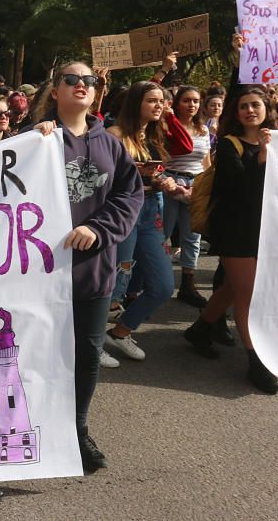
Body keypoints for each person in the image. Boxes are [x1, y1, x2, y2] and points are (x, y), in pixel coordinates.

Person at [30, 62, 143, 473]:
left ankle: (77, 431)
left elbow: (129, 196)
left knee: (88, 354)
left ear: (97, 92)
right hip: (40, 274)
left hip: (93, 272)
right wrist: (30, 140)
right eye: (71, 80)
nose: (81, 85)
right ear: (55, 90)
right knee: (38, 353)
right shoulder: (34, 140)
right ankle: (37, 427)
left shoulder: (111, 145)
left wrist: (98, 228)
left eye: (88, 81)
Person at [184, 87, 278, 393]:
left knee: (232, 287)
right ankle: (256, 361)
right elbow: (239, 188)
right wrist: (263, 155)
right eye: (243, 107)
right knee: (247, 296)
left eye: (256, 105)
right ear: (236, 114)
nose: (250, 110)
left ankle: (200, 330)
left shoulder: (276, 141)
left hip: (265, 229)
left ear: (267, 108)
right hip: (236, 230)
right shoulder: (228, 145)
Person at [103, 81, 179, 363]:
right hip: (122, 214)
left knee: (162, 285)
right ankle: (93, 343)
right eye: (152, 100)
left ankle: (120, 333)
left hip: (151, 213)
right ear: (136, 103)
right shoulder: (114, 135)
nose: (159, 105)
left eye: (162, 101)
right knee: (115, 287)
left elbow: (160, 169)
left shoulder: (154, 137)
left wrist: (164, 180)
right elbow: (101, 180)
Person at [162, 86, 212, 308]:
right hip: (170, 184)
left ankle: (187, 284)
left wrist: (204, 188)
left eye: (195, 101)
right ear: (176, 103)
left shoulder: (204, 130)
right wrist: (169, 184)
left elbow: (206, 162)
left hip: (195, 186)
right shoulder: (165, 126)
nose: (191, 105)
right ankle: (155, 281)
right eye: (186, 100)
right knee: (162, 233)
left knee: (193, 237)